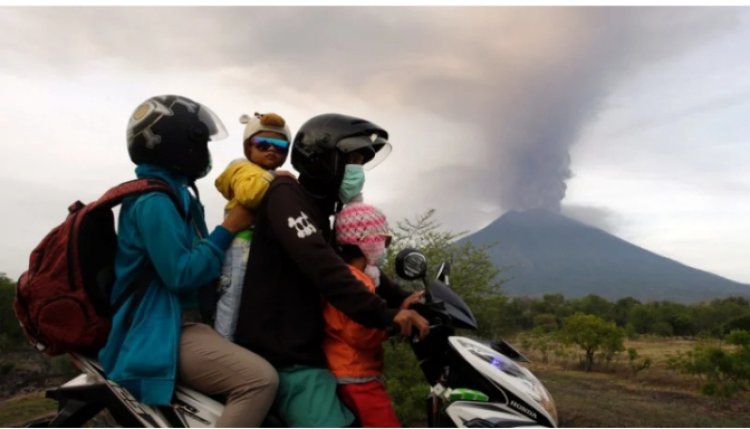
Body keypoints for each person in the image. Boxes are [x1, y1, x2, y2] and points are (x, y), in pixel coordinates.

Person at [233, 113, 430, 427]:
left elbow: (347, 262)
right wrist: (385, 314)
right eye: (352, 160)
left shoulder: (321, 214)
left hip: (314, 356)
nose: (357, 171)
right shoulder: (286, 195)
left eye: (361, 163)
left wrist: (404, 297)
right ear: (322, 160)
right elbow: (323, 266)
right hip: (286, 360)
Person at [98, 95, 278, 427]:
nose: (205, 152)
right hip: (163, 328)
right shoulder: (154, 201)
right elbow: (181, 274)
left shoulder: (177, 195)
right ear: (179, 144)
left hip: (182, 321)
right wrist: (229, 228)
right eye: (201, 142)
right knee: (259, 380)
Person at [325, 202, 423, 427]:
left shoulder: (351, 276)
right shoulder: (356, 282)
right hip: (355, 373)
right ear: (367, 243)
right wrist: (395, 325)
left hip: (349, 369)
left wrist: (402, 308)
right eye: (383, 241)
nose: (384, 248)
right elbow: (360, 334)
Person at [213, 112, 292, 340]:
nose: (271, 149)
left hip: (256, 246)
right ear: (249, 146)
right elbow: (249, 195)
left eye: (279, 145)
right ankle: (223, 347)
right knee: (232, 303)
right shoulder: (243, 169)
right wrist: (273, 177)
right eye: (263, 143)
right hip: (241, 246)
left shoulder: (265, 174)